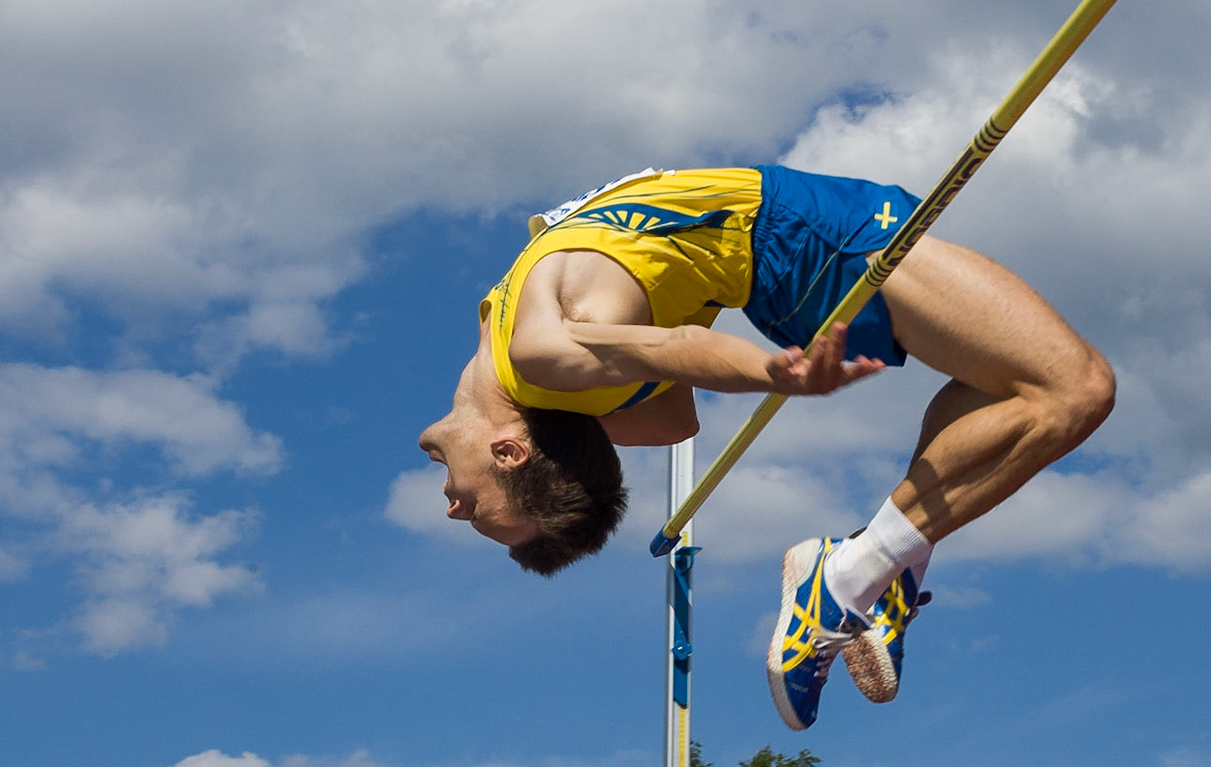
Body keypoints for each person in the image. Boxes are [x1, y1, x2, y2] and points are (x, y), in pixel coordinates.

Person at [417, 166, 1112, 729]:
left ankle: (889, 564)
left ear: (513, 453)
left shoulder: (547, 372)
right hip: (802, 234)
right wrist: (769, 374)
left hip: (782, 246)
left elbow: (675, 411)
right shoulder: (539, 355)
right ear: (511, 450)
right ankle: (846, 576)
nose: (453, 509)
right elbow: (676, 352)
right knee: (1073, 389)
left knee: (1004, 389)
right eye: (470, 510)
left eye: (476, 513)